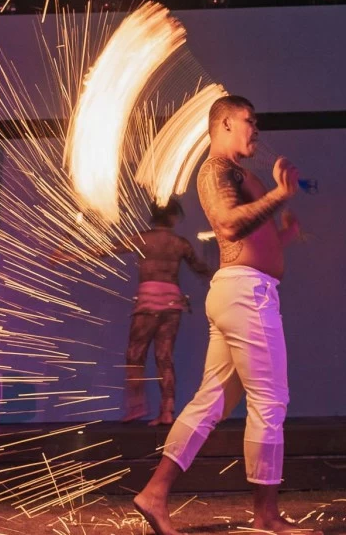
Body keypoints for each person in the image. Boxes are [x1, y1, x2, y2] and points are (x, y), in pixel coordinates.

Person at [133, 94, 308, 535]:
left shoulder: (238, 174)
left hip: (242, 292)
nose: (256, 130)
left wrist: (281, 235)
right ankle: (266, 516)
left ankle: (154, 494)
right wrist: (281, 196)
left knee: (211, 402)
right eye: (249, 121)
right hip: (246, 295)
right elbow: (229, 225)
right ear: (225, 123)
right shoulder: (216, 170)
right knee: (270, 401)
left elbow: (245, 243)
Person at [123, 199, 212, 425]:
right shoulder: (180, 243)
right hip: (173, 303)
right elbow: (200, 268)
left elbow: (104, 249)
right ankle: (167, 411)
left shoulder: (142, 238)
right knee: (165, 356)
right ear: (173, 217)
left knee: (135, 355)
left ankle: (136, 407)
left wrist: (69, 255)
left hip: (148, 301)